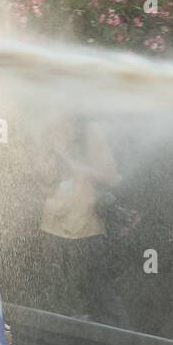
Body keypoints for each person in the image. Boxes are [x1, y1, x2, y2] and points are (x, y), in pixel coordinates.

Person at [34, 117, 127, 325]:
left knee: (98, 293)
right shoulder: (48, 128)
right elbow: (40, 177)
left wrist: (70, 161)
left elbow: (110, 176)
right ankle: (58, 342)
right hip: (53, 229)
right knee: (56, 296)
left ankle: (123, 342)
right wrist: (48, 172)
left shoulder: (91, 132)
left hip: (86, 231)